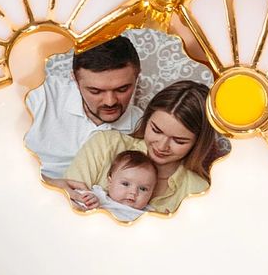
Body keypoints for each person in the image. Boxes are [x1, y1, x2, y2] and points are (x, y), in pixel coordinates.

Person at [59, 80, 217, 216]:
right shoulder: (106, 145)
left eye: (179, 141)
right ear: (146, 119)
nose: (162, 146)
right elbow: (66, 204)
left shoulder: (199, 191)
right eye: (156, 130)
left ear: (198, 143)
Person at [24, 36, 142, 181]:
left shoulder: (144, 127)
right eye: (95, 91)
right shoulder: (38, 96)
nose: (110, 102)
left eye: (122, 89)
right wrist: (52, 183)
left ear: (137, 77)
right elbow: (0, 154)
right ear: (75, 79)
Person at [76, 151, 159, 223]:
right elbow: (75, 199)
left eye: (143, 189)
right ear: (110, 182)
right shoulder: (100, 197)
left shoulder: (150, 215)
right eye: (125, 184)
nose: (133, 192)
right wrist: (88, 200)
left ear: (152, 192)